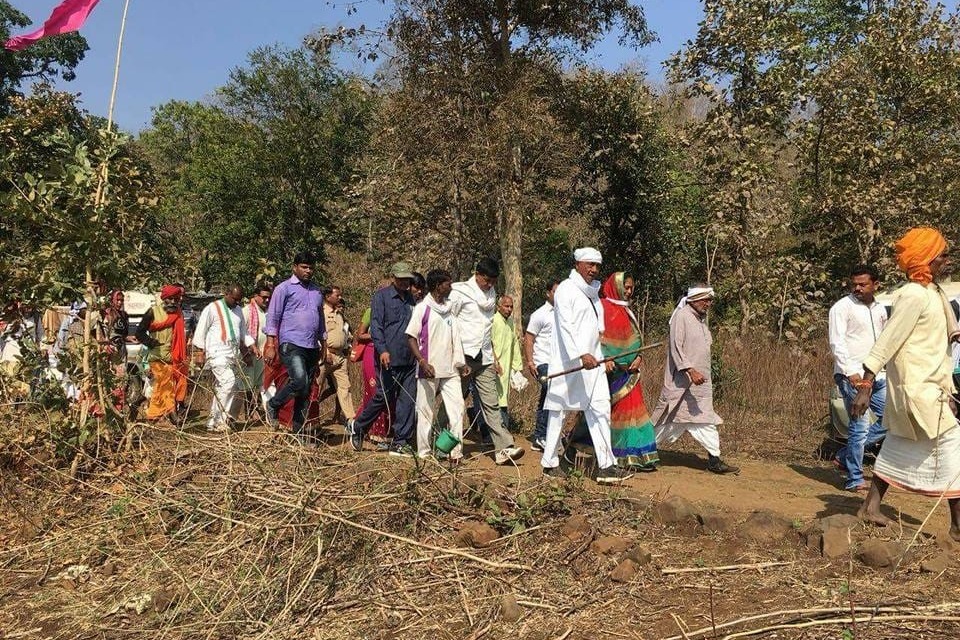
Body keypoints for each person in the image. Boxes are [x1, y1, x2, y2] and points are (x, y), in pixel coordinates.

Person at [851, 228, 960, 536]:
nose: (946, 260)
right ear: (927, 258)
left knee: (897, 446)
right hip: (920, 389)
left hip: (931, 386)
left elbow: (946, 330)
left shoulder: (932, 292)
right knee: (955, 451)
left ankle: (869, 507)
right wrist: (865, 384)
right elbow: (889, 340)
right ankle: (957, 528)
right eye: (942, 254)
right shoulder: (913, 295)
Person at [540, 248, 629, 484]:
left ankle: (606, 466)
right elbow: (565, 327)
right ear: (578, 264)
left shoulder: (593, 294)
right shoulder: (566, 291)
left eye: (597, 266)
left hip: (594, 363)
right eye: (590, 265)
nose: (594, 270)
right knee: (558, 412)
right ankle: (549, 463)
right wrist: (581, 355)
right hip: (570, 362)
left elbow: (598, 330)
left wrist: (600, 355)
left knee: (600, 409)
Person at [652, 285, 738, 475]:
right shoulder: (681, 316)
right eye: (705, 300)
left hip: (699, 388)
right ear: (694, 299)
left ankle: (714, 460)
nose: (708, 304)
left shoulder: (700, 320)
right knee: (666, 420)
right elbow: (676, 348)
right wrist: (690, 370)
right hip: (681, 384)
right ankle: (640, 452)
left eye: (709, 301)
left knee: (705, 420)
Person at [450, 258, 524, 465]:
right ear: (478, 274)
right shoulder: (459, 292)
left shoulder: (491, 295)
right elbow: (450, 323)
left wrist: (492, 357)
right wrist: (457, 357)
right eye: (487, 280)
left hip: (484, 358)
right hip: (463, 357)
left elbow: (486, 329)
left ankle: (503, 448)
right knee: (454, 402)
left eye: (493, 281)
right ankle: (440, 439)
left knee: (491, 403)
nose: (490, 284)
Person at [828, 264, 888, 491]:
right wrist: (851, 373)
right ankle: (854, 478)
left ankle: (844, 455)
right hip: (852, 375)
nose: (857, 288)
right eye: (854, 284)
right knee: (859, 426)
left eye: (863, 284)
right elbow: (837, 343)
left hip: (879, 375)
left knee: (891, 418)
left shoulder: (881, 309)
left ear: (876, 284)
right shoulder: (841, 308)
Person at [349, 262, 419, 456]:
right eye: (402, 279)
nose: (405, 282)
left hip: (410, 359)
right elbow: (377, 326)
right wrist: (383, 350)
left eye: (408, 279)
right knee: (385, 397)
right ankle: (358, 426)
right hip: (388, 357)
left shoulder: (412, 300)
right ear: (393, 278)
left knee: (407, 400)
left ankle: (400, 441)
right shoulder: (381, 297)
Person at [406, 269, 470, 461]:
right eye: (447, 284)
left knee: (457, 410)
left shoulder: (450, 309)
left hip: (451, 369)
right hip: (429, 369)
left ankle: (454, 451)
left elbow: (455, 337)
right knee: (425, 412)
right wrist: (422, 361)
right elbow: (410, 337)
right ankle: (424, 453)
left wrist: (461, 362)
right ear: (437, 286)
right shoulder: (422, 308)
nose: (450, 287)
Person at [263, 252, 327, 440]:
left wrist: (323, 343)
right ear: (295, 267)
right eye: (304, 267)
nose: (308, 271)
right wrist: (270, 343)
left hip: (311, 345)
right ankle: (274, 404)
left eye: (310, 268)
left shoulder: (316, 291)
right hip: (291, 343)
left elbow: (320, 319)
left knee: (304, 391)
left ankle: (299, 433)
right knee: (299, 381)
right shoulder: (284, 288)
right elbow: (273, 316)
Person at [599, 272, 659, 470]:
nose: (629, 291)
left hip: (630, 373)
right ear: (614, 286)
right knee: (610, 413)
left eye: (631, 287)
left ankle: (639, 455)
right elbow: (597, 337)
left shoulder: (627, 311)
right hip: (610, 373)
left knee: (635, 412)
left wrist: (639, 357)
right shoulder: (603, 307)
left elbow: (636, 340)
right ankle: (620, 455)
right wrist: (605, 358)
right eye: (625, 287)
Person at [192, 285, 258, 432]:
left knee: (229, 387)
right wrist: (199, 352)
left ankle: (213, 421)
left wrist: (251, 346)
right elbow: (201, 329)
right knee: (228, 383)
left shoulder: (238, 310)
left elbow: (243, 333)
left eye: (239, 300)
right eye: (235, 299)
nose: (237, 303)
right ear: (226, 294)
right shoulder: (212, 308)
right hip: (217, 353)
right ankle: (220, 421)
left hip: (232, 354)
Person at [136, 285, 188, 423]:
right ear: (164, 298)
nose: (173, 302)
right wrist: (151, 342)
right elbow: (139, 333)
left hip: (173, 358)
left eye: (176, 299)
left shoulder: (178, 314)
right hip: (156, 358)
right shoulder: (152, 312)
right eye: (170, 299)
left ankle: (152, 417)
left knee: (162, 389)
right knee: (165, 387)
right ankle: (172, 416)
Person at [354, 281, 394, 451]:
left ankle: (380, 429)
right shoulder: (371, 312)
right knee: (375, 391)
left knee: (389, 393)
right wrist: (377, 336)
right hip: (373, 352)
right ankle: (374, 432)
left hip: (390, 354)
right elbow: (360, 334)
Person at [524, 280, 560, 451]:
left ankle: (541, 435)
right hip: (542, 362)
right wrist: (530, 362)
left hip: (559, 363)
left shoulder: (565, 313)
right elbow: (529, 338)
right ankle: (542, 435)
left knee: (548, 397)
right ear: (548, 293)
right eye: (555, 292)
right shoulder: (540, 314)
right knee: (551, 392)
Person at [317, 285, 356, 426]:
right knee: (316, 386)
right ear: (328, 297)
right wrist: (325, 352)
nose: (340, 298)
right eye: (337, 295)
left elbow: (346, 335)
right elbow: (317, 334)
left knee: (345, 388)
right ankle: (311, 420)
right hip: (326, 356)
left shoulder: (340, 314)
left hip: (340, 357)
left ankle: (352, 421)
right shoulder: (320, 312)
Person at [491, 295, 523, 431]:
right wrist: (494, 361)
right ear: (499, 307)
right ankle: (499, 432)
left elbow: (515, 344)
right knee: (494, 400)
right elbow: (488, 343)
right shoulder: (493, 321)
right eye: (506, 306)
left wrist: (517, 367)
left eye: (511, 307)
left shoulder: (510, 322)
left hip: (506, 368)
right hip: (494, 367)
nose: (509, 309)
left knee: (503, 399)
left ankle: (502, 431)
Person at [241, 282, 271, 419]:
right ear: (256, 296)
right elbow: (241, 333)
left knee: (261, 384)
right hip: (249, 354)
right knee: (248, 384)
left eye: (268, 297)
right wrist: (246, 352)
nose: (267, 300)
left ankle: (257, 409)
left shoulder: (269, 312)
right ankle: (249, 412)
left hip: (265, 354)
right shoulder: (247, 311)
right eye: (264, 297)